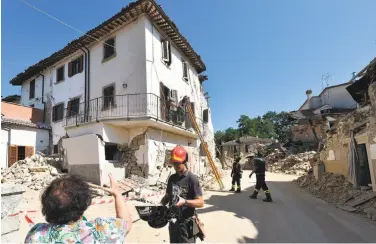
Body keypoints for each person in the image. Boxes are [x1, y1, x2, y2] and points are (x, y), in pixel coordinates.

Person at [25, 174, 132, 243]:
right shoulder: (102, 229)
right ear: (84, 203)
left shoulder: (36, 235)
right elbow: (125, 224)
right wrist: (117, 194)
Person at [160, 145, 204, 243]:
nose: (175, 165)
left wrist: (185, 201)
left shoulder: (192, 179)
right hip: (173, 223)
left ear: (184, 161)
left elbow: (201, 202)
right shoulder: (172, 178)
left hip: (186, 225)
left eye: (177, 163)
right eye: (173, 163)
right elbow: (167, 196)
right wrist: (159, 206)